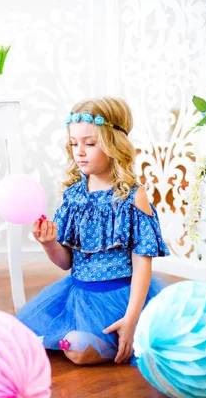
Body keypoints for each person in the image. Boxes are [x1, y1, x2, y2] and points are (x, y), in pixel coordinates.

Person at [16, 96, 170, 365]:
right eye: (74, 144)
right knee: (34, 339)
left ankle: (119, 339)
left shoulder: (132, 197)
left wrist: (132, 318)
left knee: (77, 350)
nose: (80, 152)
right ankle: (95, 342)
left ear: (113, 145)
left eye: (90, 143)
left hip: (121, 297)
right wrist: (49, 243)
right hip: (78, 295)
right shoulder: (74, 196)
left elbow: (143, 265)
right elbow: (66, 263)